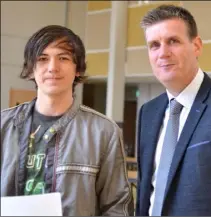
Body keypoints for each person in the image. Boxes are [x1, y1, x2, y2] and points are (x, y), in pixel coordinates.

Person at [1, 25, 134, 216]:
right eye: (42, 59)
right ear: (30, 70)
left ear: (78, 69)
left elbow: (117, 207)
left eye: (63, 58)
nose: (52, 67)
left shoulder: (103, 132)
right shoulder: (4, 126)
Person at [136, 4, 211, 216]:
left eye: (173, 41)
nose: (163, 53)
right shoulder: (148, 113)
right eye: (154, 45)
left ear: (197, 45)